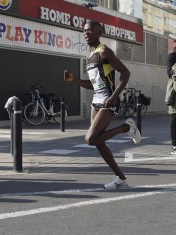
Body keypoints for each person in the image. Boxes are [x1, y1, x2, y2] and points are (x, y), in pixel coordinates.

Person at [63, 20, 141, 189]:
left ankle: (126, 128)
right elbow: (93, 84)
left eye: (90, 30)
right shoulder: (89, 56)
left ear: (100, 32)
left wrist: (114, 96)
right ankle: (121, 179)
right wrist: (74, 80)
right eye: (84, 30)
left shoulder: (105, 51)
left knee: (90, 139)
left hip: (109, 102)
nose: (86, 33)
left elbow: (125, 73)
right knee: (98, 142)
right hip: (96, 102)